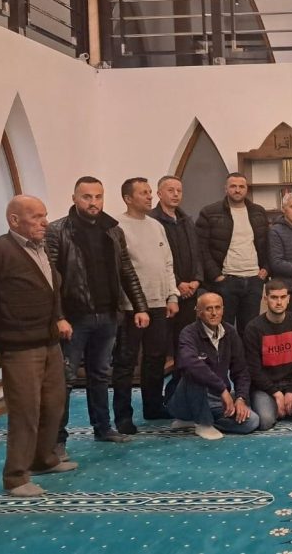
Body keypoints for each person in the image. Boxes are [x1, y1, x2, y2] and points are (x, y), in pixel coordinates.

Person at [0, 195, 75, 498]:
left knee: (53, 404)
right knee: (25, 411)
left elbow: (52, 289)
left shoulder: (42, 248)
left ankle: (43, 460)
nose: (44, 222)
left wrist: (59, 317)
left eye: (44, 215)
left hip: (49, 341)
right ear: (14, 220)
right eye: (36, 217)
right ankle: (16, 476)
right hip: (19, 346)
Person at [46, 176, 148, 447]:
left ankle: (103, 428)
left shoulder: (112, 230)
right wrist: (59, 317)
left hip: (107, 315)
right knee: (65, 379)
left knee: (101, 375)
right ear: (74, 198)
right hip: (74, 318)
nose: (93, 202)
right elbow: (51, 279)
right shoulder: (57, 231)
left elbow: (126, 270)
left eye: (98, 197)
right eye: (87, 197)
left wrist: (140, 307)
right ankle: (57, 438)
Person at [112, 178, 180, 433]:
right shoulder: (117, 226)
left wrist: (172, 296)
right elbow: (120, 270)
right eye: (143, 193)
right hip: (131, 307)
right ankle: (123, 416)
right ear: (128, 198)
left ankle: (153, 406)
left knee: (156, 357)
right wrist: (130, 304)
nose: (150, 197)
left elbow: (167, 263)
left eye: (150, 192)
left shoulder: (156, 226)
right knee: (126, 361)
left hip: (159, 302)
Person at [166, 292, 259, 439]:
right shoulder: (188, 333)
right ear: (199, 312)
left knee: (252, 422)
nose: (214, 313)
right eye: (209, 309)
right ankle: (203, 423)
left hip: (217, 399)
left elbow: (241, 370)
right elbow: (189, 364)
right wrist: (222, 389)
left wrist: (241, 398)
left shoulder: (230, 332)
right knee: (195, 371)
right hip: (187, 398)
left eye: (218, 308)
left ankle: (197, 420)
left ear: (223, 309)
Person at [196, 172, 269, 332]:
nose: (237, 190)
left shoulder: (258, 212)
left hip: (253, 280)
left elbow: (266, 243)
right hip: (226, 280)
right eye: (233, 186)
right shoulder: (209, 212)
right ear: (225, 189)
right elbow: (201, 248)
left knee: (250, 330)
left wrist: (265, 268)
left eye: (241, 186)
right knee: (222, 329)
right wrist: (216, 275)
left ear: (246, 189)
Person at [245, 280, 292, 430]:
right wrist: (276, 393)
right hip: (264, 386)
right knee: (265, 421)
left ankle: (284, 406)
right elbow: (253, 369)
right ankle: (278, 404)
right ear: (265, 299)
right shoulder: (253, 328)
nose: (279, 302)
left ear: (288, 299)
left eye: (283, 297)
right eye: (274, 297)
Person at [150, 175, 203, 354]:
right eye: (170, 190)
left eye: (179, 191)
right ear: (159, 193)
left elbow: (197, 252)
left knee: (186, 340)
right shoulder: (152, 221)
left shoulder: (186, 219)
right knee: (162, 343)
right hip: (166, 291)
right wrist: (178, 283)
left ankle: (184, 371)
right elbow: (158, 259)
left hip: (190, 290)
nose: (175, 194)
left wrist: (197, 280)